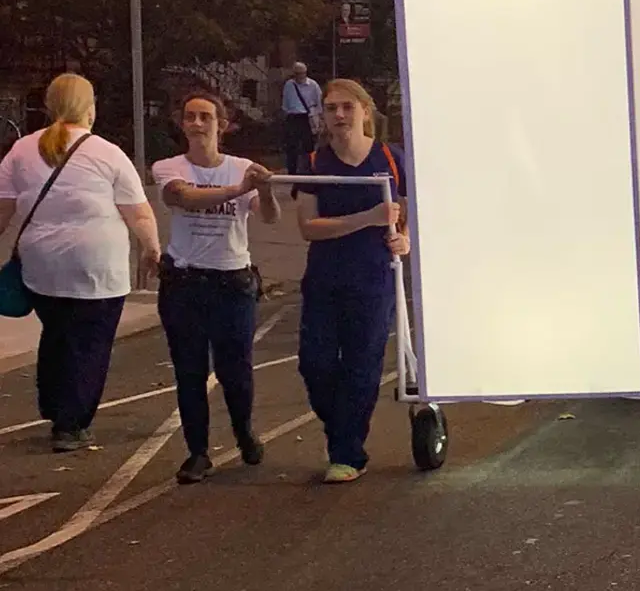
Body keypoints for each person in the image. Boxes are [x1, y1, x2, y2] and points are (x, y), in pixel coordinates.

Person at [0, 73, 160, 452]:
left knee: (57, 334)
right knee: (90, 343)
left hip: (42, 268)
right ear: (89, 109)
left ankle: (55, 405)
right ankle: (71, 423)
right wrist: (152, 249)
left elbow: (2, 212)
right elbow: (138, 213)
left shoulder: (20, 150)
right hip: (98, 265)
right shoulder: (107, 152)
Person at [155, 88, 278, 483]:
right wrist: (241, 189)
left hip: (232, 282)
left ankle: (243, 430)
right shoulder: (169, 167)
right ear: (181, 123)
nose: (196, 124)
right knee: (189, 370)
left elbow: (270, 217)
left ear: (221, 125)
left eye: (205, 117)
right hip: (185, 282)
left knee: (235, 371)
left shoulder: (242, 166)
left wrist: (265, 189)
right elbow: (185, 199)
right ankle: (197, 451)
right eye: (190, 116)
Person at [296, 78, 409, 484]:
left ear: (365, 111)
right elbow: (309, 226)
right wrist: (368, 219)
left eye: (347, 107)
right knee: (315, 364)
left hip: (372, 278)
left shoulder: (390, 158)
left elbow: (406, 213)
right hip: (324, 279)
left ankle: (347, 453)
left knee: (362, 367)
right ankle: (340, 431)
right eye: (331, 109)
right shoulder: (313, 162)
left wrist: (404, 237)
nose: (339, 116)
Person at [280, 62, 322, 176]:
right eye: (297, 73)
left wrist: (318, 119)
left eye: (301, 73)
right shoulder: (289, 85)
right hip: (293, 116)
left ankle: (310, 170)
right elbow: (285, 102)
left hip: (307, 117)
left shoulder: (313, 85)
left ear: (305, 73)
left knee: (309, 146)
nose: (299, 76)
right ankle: (292, 172)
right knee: (291, 146)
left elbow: (319, 102)